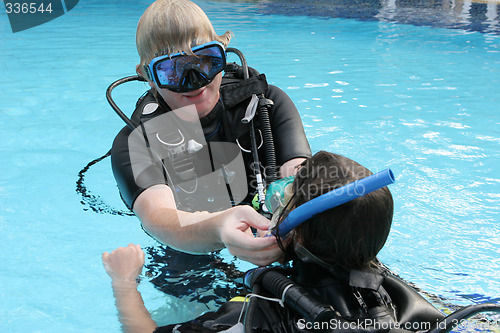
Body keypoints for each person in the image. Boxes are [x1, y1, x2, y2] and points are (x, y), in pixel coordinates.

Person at [104, 151, 452, 332]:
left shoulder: (256, 314)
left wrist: (123, 282)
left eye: (291, 189)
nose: (281, 190)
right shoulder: (403, 297)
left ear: (294, 228)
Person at [110, 0, 311, 267]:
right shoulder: (136, 141)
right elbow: (157, 217)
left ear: (223, 55)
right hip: (189, 245)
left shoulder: (266, 102)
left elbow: (300, 171)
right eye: (172, 70)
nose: (195, 82)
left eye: (206, 61)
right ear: (148, 75)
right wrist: (217, 229)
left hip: (272, 226)